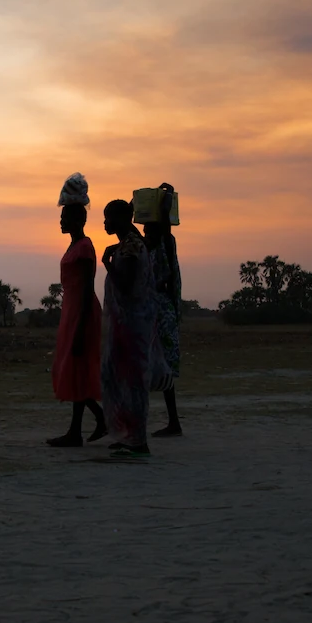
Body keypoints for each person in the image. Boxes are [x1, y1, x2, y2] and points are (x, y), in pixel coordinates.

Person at [97, 199, 154, 456]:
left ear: (121, 219)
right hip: (126, 325)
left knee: (131, 381)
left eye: (108, 218)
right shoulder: (128, 244)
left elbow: (127, 286)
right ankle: (126, 435)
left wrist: (108, 264)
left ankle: (137, 440)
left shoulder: (131, 247)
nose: (105, 223)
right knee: (119, 379)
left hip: (130, 325)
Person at [47, 204, 107, 447]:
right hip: (72, 310)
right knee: (73, 368)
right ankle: (84, 427)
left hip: (81, 311)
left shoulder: (84, 247)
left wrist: (81, 326)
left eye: (64, 217)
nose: (61, 221)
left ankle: (83, 428)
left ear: (77, 219)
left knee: (77, 366)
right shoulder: (75, 245)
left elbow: (87, 288)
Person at [143, 183, 184, 437]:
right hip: (153, 310)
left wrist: (165, 195)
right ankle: (172, 421)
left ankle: (172, 422)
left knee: (161, 366)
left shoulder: (164, 241)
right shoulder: (148, 245)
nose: (145, 230)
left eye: (148, 226)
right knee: (152, 365)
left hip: (161, 312)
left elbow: (164, 220)